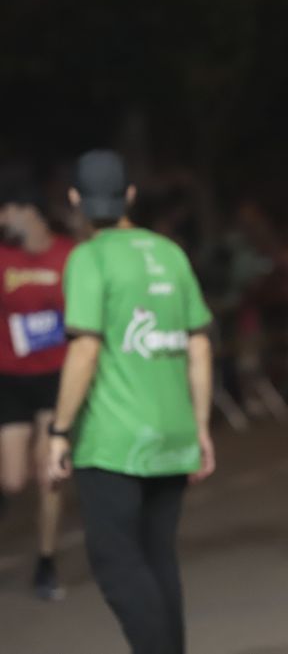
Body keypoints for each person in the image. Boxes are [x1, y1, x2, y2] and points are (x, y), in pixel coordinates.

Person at [47, 150, 215, 654]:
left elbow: (84, 347)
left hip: (114, 441)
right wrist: (201, 425)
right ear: (131, 196)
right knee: (157, 557)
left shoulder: (88, 257)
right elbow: (199, 343)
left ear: (74, 199)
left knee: (117, 564)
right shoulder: (169, 252)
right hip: (173, 432)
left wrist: (59, 430)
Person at [0, 185, 74, 599]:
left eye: (7, 208)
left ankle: (46, 562)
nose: (3, 216)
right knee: (12, 481)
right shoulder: (2, 257)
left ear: (31, 212)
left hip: (54, 375)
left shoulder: (67, 255)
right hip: (9, 376)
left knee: (49, 472)